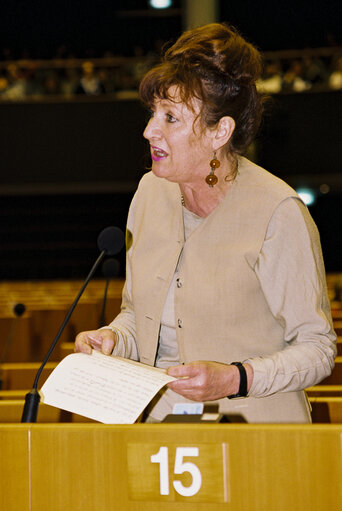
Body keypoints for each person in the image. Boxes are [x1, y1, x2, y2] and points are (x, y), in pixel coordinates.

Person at [75, 23, 337, 423]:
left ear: (220, 131)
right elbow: (136, 314)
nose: (149, 131)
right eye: (152, 114)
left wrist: (236, 378)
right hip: (159, 434)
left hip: (257, 436)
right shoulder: (149, 194)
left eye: (171, 118)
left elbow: (318, 349)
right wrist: (113, 338)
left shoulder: (277, 211)